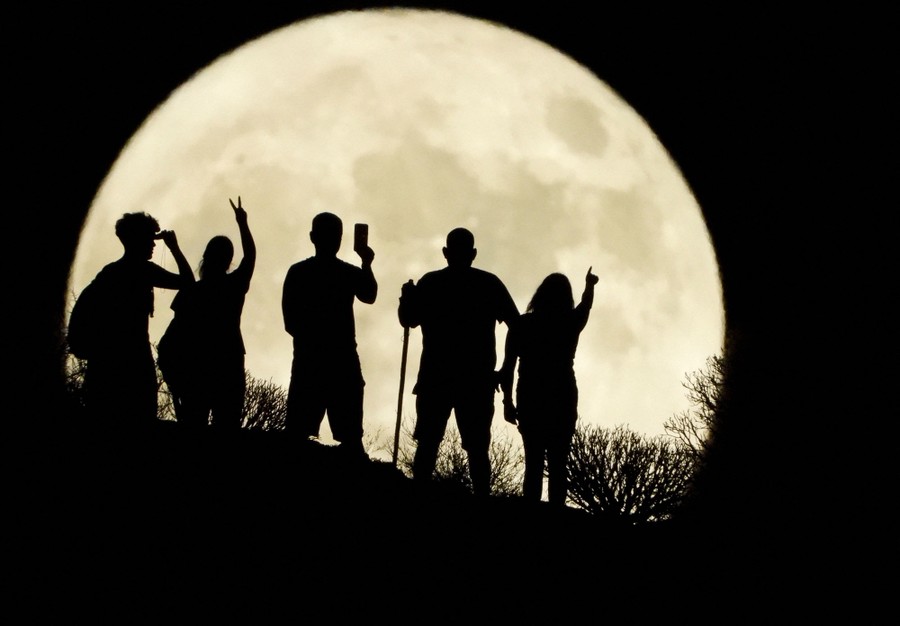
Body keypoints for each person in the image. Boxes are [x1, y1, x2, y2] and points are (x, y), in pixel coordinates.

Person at [398, 227, 519, 496]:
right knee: (476, 449)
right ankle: (480, 502)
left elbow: (408, 319)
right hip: (475, 379)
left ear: (446, 252)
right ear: (473, 254)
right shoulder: (489, 284)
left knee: (429, 443)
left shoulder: (431, 283)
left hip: (437, 377)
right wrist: (505, 368)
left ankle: (417, 499)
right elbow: (517, 326)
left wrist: (406, 299)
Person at [74, 211, 194, 429]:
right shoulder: (142, 270)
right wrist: (174, 248)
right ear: (137, 239)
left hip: (105, 366)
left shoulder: (109, 273)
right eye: (150, 238)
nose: (153, 244)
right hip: (133, 365)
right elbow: (188, 282)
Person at [498, 268, 598, 506]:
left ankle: (532, 514)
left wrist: (507, 402)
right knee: (558, 463)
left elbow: (508, 368)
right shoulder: (570, 323)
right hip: (562, 395)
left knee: (533, 462)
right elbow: (585, 306)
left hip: (530, 396)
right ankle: (556, 516)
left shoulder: (522, 325)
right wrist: (589, 285)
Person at [282, 212, 376, 458]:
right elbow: (369, 294)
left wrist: (366, 263)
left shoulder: (300, 272)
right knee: (344, 438)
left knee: (306, 435)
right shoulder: (342, 272)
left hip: (316, 359)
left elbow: (369, 295)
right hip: (333, 359)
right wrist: (366, 264)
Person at [158, 197, 256, 431]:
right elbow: (250, 257)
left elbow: (171, 336)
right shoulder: (234, 286)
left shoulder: (192, 291)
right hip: (228, 362)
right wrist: (243, 223)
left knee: (195, 425)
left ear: (205, 256)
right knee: (227, 427)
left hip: (196, 365)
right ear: (229, 261)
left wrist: (173, 373)